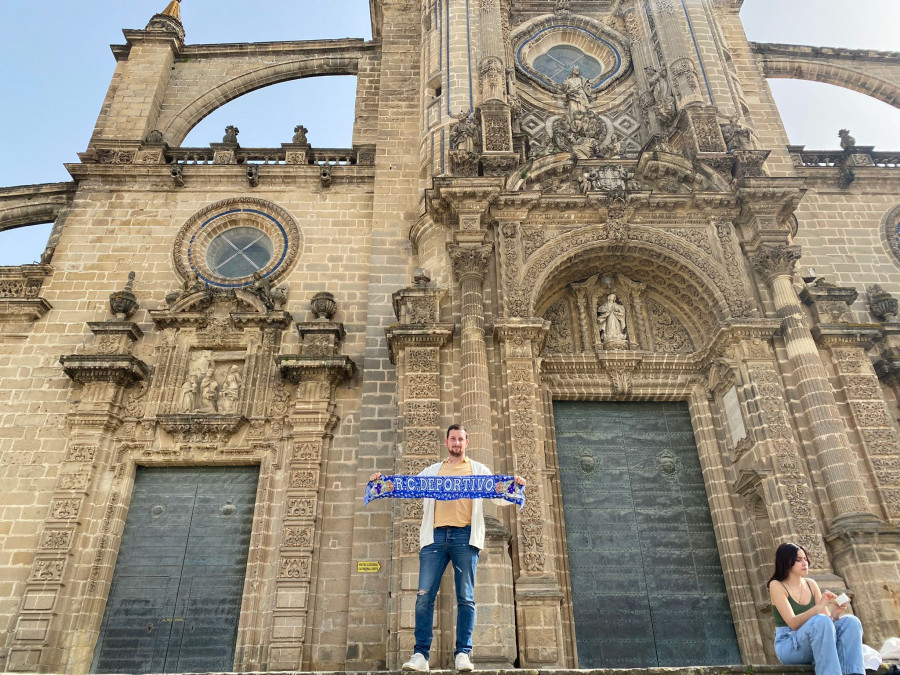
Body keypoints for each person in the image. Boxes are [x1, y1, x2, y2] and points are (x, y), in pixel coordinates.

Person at [369, 424, 526, 672]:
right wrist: (382, 482)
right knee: (423, 597)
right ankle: (420, 655)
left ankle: (463, 653)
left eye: (461, 439)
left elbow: (496, 494)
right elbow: (409, 487)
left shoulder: (477, 470)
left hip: (465, 536)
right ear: (446, 442)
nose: (456, 443)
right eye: (453, 439)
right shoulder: (433, 471)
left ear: (467, 443)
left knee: (466, 598)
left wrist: (513, 485)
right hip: (435, 538)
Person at [767, 542, 865, 675]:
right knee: (820, 620)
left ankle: (853, 673)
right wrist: (818, 607)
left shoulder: (811, 584)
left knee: (851, 622)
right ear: (787, 562)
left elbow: (826, 624)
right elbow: (793, 623)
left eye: (805, 559)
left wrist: (835, 614)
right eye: (799, 560)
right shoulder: (776, 585)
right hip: (789, 645)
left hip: (815, 639)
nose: (805, 563)